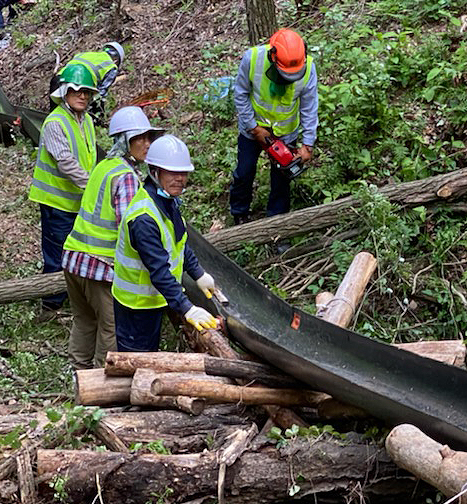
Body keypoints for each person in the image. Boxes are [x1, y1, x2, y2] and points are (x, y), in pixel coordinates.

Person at [61, 106, 162, 369]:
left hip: (74, 259)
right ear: (124, 141)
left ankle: (78, 373)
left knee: (84, 320)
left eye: (149, 138)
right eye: (140, 138)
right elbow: (131, 227)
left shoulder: (103, 167)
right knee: (111, 326)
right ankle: (100, 384)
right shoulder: (126, 177)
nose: (147, 144)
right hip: (100, 265)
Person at [112, 135, 220, 352]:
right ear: (155, 172)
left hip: (152, 300)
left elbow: (179, 243)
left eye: (183, 173)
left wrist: (198, 274)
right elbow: (159, 270)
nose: (180, 179)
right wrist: (187, 308)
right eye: (172, 172)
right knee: (137, 359)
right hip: (136, 304)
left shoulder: (167, 202)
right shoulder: (144, 218)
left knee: (149, 351)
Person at [28, 63, 99, 317]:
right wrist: (94, 186)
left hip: (78, 201)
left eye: (87, 92)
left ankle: (74, 295)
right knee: (56, 255)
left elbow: (90, 156)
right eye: (78, 91)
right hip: (56, 201)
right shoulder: (55, 122)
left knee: (78, 250)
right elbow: (66, 161)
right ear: (65, 91)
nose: (83, 96)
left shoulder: (87, 121)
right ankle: (51, 306)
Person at [229, 28, 318, 223]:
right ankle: (239, 213)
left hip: (286, 133)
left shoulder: (308, 67)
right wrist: (254, 127)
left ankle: (277, 222)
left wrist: (308, 144)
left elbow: (309, 108)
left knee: (281, 181)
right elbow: (241, 94)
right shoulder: (252, 59)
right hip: (252, 130)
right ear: (273, 56)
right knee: (244, 171)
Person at [56, 42, 125, 118]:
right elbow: (101, 92)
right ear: (116, 60)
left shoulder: (87, 54)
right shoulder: (111, 66)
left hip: (58, 79)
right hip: (78, 82)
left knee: (56, 114)